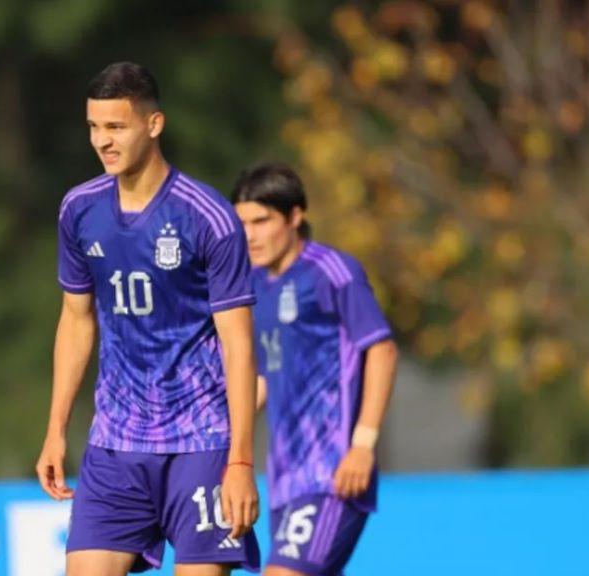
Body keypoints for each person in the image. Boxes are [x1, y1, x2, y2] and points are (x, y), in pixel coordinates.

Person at [35, 61, 261, 576]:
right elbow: (76, 319)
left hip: (200, 443)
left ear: (154, 125)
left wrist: (242, 462)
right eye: (94, 127)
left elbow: (239, 347)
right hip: (115, 446)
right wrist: (55, 429)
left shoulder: (208, 217)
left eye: (116, 127)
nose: (102, 141)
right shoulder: (79, 209)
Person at [232, 162, 398, 576]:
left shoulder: (331, 272)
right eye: (242, 223)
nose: (249, 235)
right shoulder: (254, 284)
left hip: (333, 472)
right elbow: (264, 378)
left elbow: (382, 350)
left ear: (294, 217)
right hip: (286, 476)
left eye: (261, 221)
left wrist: (363, 444)